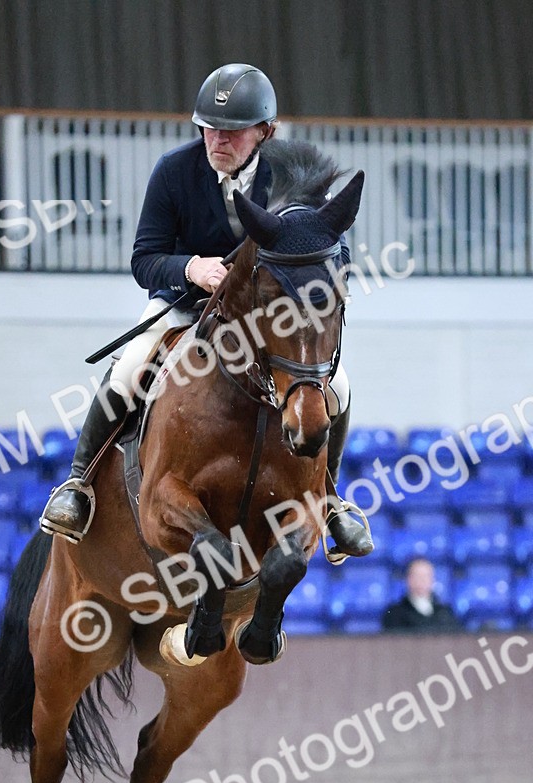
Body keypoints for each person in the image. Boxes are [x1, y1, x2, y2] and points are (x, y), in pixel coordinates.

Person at [40, 62, 371, 560]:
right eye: (210, 128)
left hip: (263, 318)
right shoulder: (174, 171)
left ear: (265, 132)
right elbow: (144, 260)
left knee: (337, 384)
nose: (218, 140)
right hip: (185, 305)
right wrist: (192, 268)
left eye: (233, 132)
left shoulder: (292, 174)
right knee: (130, 366)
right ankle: (78, 484)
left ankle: (330, 500)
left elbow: (329, 243)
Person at [381, 557, 461, 632]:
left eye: (426, 576)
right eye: (417, 576)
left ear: (432, 580)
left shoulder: (445, 612)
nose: (422, 580)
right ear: (408, 579)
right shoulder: (395, 613)